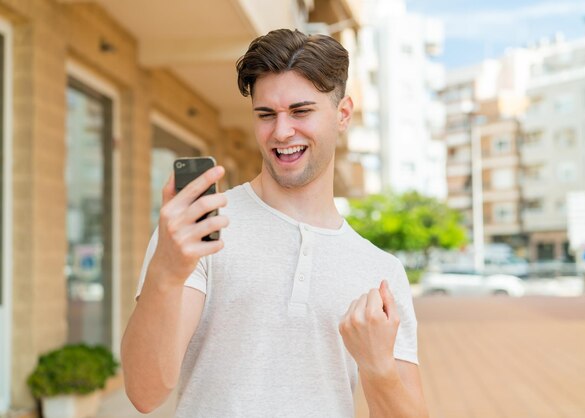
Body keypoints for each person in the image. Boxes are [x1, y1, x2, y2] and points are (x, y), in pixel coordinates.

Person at [121, 28, 428, 418]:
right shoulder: (201, 227)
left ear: (343, 114)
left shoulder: (381, 271)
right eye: (266, 114)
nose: (282, 132)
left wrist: (378, 367)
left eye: (301, 111)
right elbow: (145, 393)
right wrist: (164, 274)